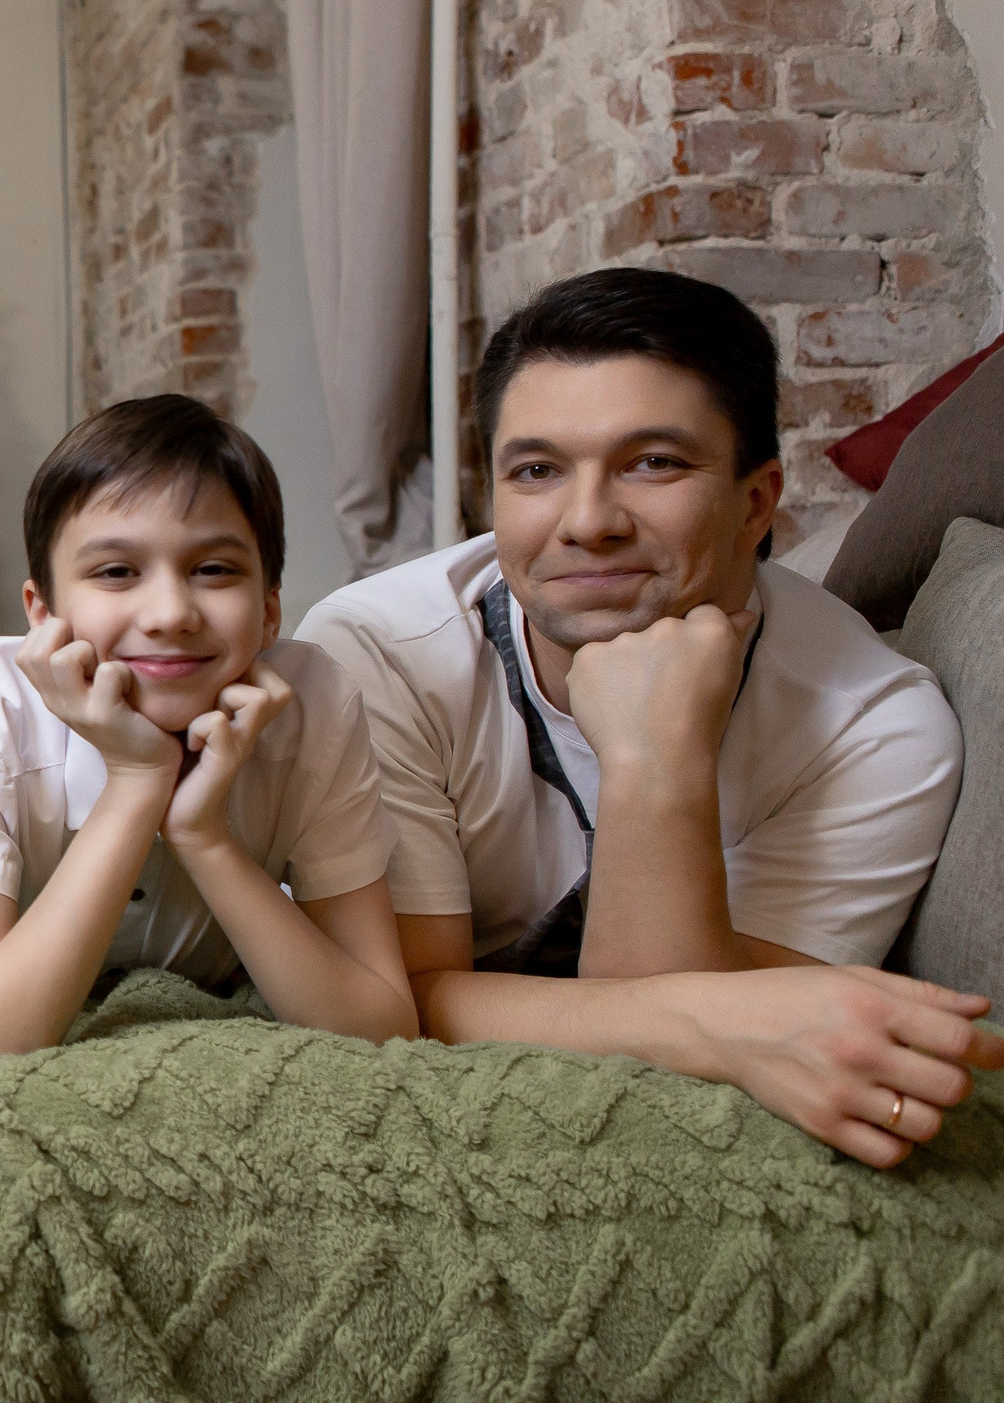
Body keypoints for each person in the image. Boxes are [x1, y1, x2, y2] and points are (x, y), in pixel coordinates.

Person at [298, 267, 999, 1167]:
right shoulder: (377, 650)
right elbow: (403, 997)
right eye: (538, 470)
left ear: (756, 501)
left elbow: (674, 1094)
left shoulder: (879, 727)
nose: (587, 521)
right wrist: (717, 1018)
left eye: (653, 462)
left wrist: (652, 756)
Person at [0, 395, 420, 1056]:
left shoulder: (317, 706)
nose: (170, 612)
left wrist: (205, 836)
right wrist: (139, 779)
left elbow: (381, 1023)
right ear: (41, 610)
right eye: (117, 572)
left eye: (214, 570)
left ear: (270, 609)